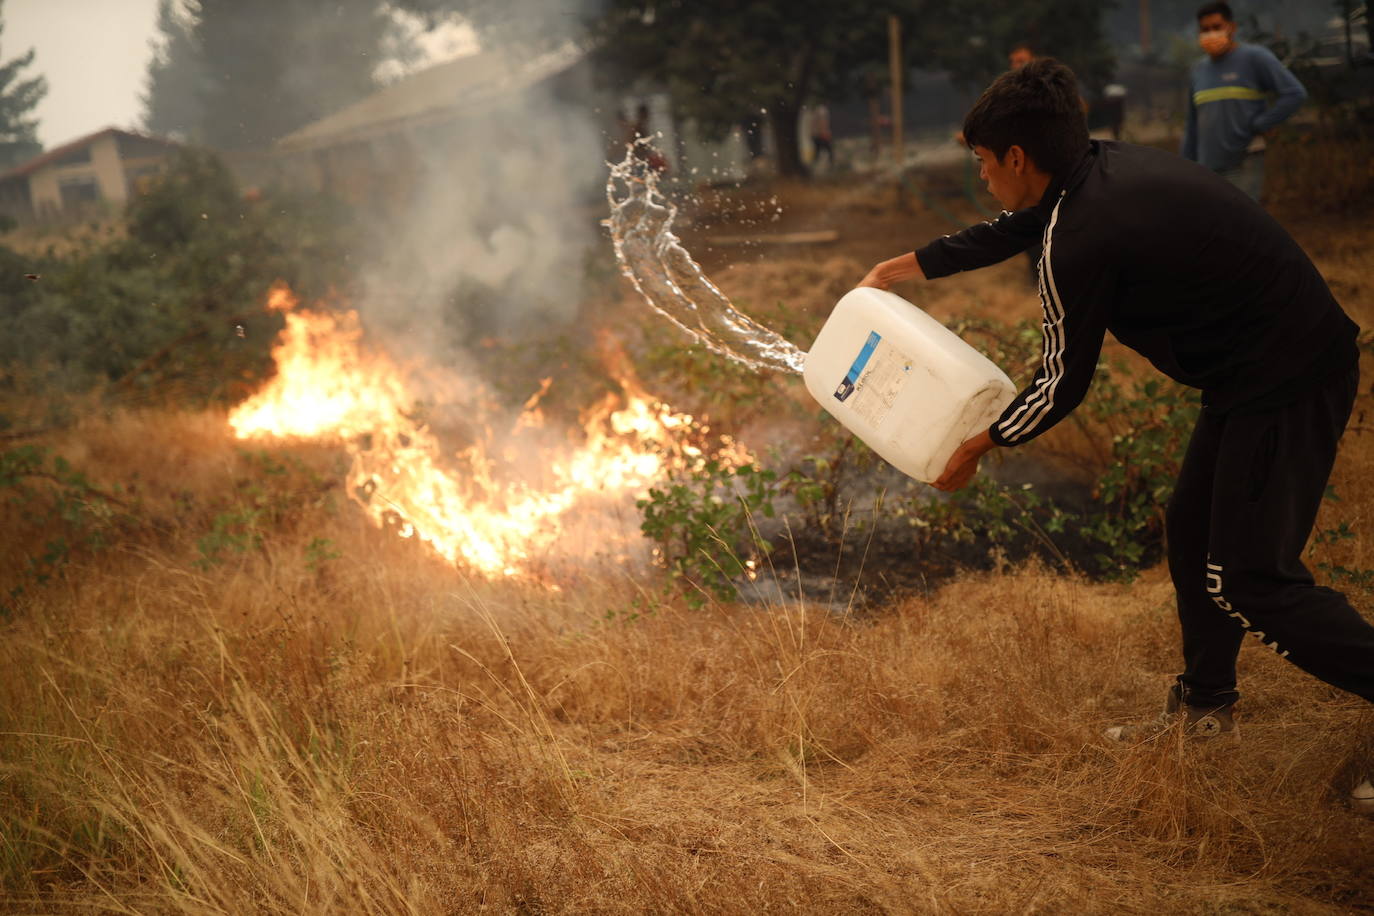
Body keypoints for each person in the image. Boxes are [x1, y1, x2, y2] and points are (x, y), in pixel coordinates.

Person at [857, 58, 1372, 814]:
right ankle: (1205, 709)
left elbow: (1063, 380)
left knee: (1252, 581)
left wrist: (975, 444)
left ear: (1017, 158)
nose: (981, 178)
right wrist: (905, 268)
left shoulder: (1081, 237)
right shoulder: (1096, 173)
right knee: (1193, 534)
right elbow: (1015, 223)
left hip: (1287, 377)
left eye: (981, 163)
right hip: (1255, 371)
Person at [1182, 1, 1307, 202]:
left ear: (1232, 27)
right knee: (1214, 226)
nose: (1211, 34)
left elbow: (1294, 93)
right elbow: (1192, 125)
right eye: (1205, 29)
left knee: (1240, 225)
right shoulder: (1198, 70)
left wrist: (1261, 123)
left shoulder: (1254, 58)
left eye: (1217, 27)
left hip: (1244, 160)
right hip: (1207, 166)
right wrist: (1185, 166)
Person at [809, 103, 834, 171]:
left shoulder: (815, 110)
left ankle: (815, 167)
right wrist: (825, 133)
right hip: (820, 134)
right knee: (828, 151)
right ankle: (829, 167)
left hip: (815, 134)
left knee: (818, 151)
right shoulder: (822, 110)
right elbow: (823, 122)